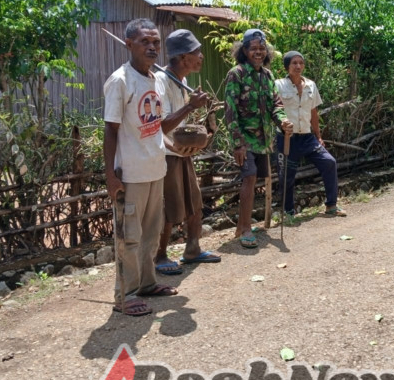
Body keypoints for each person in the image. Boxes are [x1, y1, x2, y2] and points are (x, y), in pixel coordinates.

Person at [104, 18, 209, 316]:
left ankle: (147, 284)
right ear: (129, 44)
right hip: (131, 172)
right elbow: (110, 130)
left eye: (155, 43)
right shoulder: (120, 81)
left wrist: (189, 107)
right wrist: (111, 175)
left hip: (155, 168)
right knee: (130, 236)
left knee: (150, 235)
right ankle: (125, 295)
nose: (151, 47)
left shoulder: (152, 79)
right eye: (144, 42)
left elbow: (160, 126)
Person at [153, 29, 222, 275]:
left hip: (182, 152)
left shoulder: (180, 81)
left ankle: (192, 249)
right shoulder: (159, 81)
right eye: (197, 53)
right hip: (167, 153)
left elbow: (180, 123)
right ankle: (159, 255)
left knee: (194, 202)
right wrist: (190, 106)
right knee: (170, 208)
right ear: (183, 58)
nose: (202, 57)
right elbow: (161, 126)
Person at [224, 29, 293, 248]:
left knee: (256, 180)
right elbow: (230, 111)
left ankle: (240, 227)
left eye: (262, 48)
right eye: (253, 48)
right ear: (244, 50)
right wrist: (238, 143)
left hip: (263, 140)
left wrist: (283, 121)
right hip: (244, 139)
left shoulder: (268, 75)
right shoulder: (236, 74)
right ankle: (245, 229)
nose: (258, 52)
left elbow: (276, 105)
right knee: (250, 177)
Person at [275, 51, 346, 218]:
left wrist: (318, 136)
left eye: (301, 62)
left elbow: (314, 112)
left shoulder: (310, 85)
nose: (298, 66)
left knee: (329, 162)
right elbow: (274, 110)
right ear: (287, 66)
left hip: (307, 137)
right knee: (287, 175)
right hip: (287, 138)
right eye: (294, 63)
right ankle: (288, 212)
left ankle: (331, 205)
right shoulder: (278, 85)